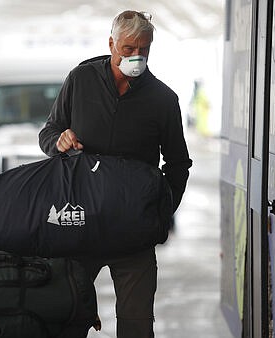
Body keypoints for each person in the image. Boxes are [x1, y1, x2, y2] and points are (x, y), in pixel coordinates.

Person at [38, 10, 192, 338]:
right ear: (111, 44)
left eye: (144, 50)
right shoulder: (80, 80)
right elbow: (48, 132)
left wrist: (160, 212)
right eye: (128, 49)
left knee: (137, 326)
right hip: (78, 224)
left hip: (132, 232)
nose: (136, 57)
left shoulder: (163, 100)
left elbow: (178, 164)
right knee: (65, 316)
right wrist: (58, 141)